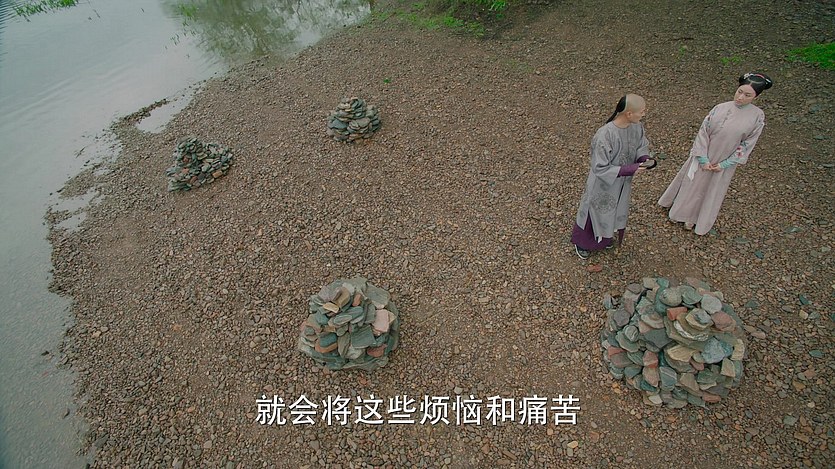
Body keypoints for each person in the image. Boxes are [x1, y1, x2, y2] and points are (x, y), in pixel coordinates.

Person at [659, 72, 773, 235]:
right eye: (740, 91)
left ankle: (695, 218)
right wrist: (702, 157)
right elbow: (703, 132)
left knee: (710, 189)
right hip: (705, 153)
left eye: (747, 95)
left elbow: (748, 143)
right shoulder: (720, 108)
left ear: (756, 97)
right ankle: (678, 211)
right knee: (692, 183)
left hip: (724, 159)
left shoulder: (757, 116)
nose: (740, 97)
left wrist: (725, 163)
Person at [572, 94, 651, 259]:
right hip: (603, 183)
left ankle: (604, 238)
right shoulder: (604, 135)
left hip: (622, 181)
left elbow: (641, 145)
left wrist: (644, 159)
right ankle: (583, 242)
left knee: (614, 209)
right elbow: (599, 167)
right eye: (642, 111)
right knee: (596, 210)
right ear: (629, 113)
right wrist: (630, 169)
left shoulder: (637, 127)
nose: (644, 114)